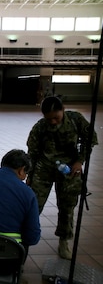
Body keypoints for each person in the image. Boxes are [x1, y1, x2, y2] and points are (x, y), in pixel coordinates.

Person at [26, 96, 98, 259]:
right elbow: (33, 152)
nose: (52, 122)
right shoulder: (40, 127)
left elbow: (90, 139)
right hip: (44, 168)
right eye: (48, 119)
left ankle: (64, 242)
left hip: (69, 169)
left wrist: (80, 161)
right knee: (33, 205)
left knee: (67, 207)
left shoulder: (75, 120)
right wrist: (30, 176)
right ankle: (24, 240)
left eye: (56, 118)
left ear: (63, 110)